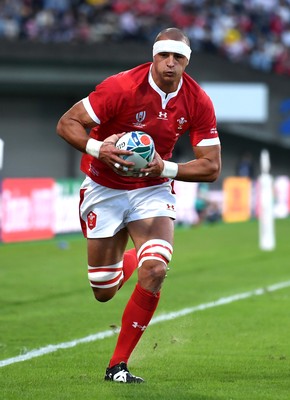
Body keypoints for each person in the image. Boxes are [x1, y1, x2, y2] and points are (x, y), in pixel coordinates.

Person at [56, 27, 221, 384]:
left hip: (153, 190)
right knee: (103, 289)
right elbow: (66, 123)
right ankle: (128, 260)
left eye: (178, 58)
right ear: (154, 56)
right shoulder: (120, 87)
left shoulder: (197, 100)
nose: (170, 63)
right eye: (164, 55)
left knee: (156, 270)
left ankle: (117, 366)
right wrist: (100, 148)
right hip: (104, 187)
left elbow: (211, 166)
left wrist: (166, 167)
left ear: (186, 63)